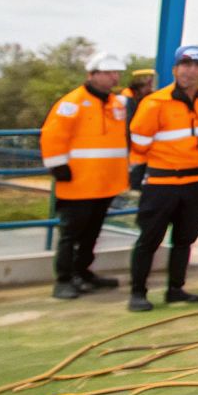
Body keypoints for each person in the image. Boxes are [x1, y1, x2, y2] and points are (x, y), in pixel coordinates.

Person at [125, 44, 198, 312]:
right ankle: (138, 293)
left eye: (197, 65)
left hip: (196, 183)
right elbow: (138, 143)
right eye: (186, 65)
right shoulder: (155, 103)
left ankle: (176, 289)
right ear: (175, 69)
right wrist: (141, 170)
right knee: (149, 239)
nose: (191, 70)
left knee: (185, 239)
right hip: (161, 184)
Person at [40, 53, 130, 300]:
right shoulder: (72, 103)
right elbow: (52, 136)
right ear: (92, 75)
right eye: (108, 73)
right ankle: (64, 280)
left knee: (92, 233)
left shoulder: (116, 104)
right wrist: (58, 166)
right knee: (71, 235)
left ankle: (83, 272)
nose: (114, 78)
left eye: (116, 73)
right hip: (78, 182)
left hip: (106, 182)